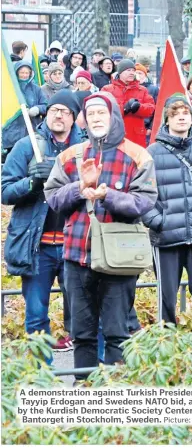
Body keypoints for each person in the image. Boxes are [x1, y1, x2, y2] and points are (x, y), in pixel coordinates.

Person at [44, 92, 158, 379]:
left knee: (117, 332)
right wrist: (78, 189)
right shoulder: (70, 156)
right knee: (81, 334)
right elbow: (53, 198)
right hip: (76, 258)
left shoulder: (138, 155)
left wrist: (109, 195)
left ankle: (116, 394)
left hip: (119, 260)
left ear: (113, 116)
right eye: (91, 114)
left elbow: (144, 202)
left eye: (101, 113)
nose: (96, 119)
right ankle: (84, 390)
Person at [2, 91, 84, 356]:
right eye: (53, 110)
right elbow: (4, 191)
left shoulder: (85, 148)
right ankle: (42, 377)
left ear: (74, 118)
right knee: (36, 316)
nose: (58, 115)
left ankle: (87, 378)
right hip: (38, 248)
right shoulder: (27, 146)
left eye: (65, 111)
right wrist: (31, 183)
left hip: (76, 245)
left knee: (84, 315)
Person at [142, 94, 192, 352]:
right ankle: (169, 344)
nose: (182, 117)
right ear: (167, 118)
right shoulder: (152, 152)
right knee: (167, 297)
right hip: (166, 237)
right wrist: (156, 221)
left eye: (186, 113)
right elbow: (143, 194)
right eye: (176, 114)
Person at [102, 59, 155, 148]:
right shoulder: (107, 89)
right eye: (128, 70)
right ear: (120, 72)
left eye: (133, 71)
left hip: (136, 137)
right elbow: (104, 110)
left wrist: (139, 108)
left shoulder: (142, 90)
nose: (132, 73)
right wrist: (124, 109)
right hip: (114, 135)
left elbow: (151, 109)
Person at [2, 61, 48, 156]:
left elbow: (46, 105)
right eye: (22, 72)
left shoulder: (36, 89)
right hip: (11, 133)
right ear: (16, 73)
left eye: (27, 73)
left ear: (31, 73)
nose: (24, 75)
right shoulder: (9, 89)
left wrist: (37, 109)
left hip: (30, 131)